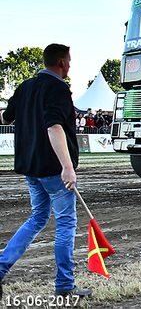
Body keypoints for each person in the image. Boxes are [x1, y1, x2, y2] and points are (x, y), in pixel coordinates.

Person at [0, 44, 91, 299]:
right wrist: (67, 167)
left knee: (38, 218)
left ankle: (0, 267)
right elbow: (54, 127)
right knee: (65, 223)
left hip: (32, 168)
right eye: (69, 61)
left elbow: (6, 118)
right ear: (62, 62)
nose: (70, 65)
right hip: (53, 169)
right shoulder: (58, 88)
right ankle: (65, 285)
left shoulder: (25, 86)